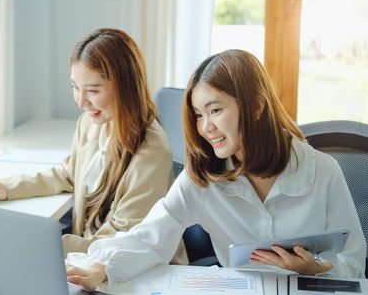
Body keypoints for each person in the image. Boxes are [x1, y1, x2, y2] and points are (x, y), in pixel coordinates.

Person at [66, 49, 366, 290]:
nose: (205, 127)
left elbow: (353, 261)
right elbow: (150, 237)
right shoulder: (203, 177)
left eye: (215, 110)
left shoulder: (323, 171)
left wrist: (315, 266)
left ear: (256, 107)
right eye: (198, 114)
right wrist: (100, 269)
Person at [0, 28, 187, 261]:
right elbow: (69, 174)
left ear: (125, 88)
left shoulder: (151, 151)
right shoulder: (91, 124)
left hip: (132, 268)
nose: (81, 101)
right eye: (75, 87)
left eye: (93, 91)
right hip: (90, 259)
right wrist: (7, 187)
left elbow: (121, 238)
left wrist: (43, 245)